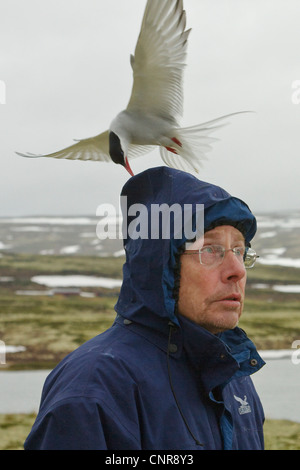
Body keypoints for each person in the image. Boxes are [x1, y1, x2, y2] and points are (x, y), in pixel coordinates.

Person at [24, 166, 265, 450]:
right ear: (160, 265)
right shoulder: (93, 391)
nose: (236, 270)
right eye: (210, 250)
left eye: (239, 250)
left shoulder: (232, 376)